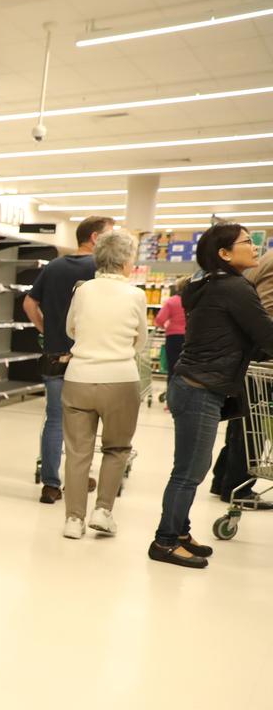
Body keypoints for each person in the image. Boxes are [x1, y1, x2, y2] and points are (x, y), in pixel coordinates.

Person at [150, 224, 273, 569]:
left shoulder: (208, 285)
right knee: (188, 472)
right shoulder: (235, 287)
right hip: (201, 387)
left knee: (192, 467)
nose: (255, 247)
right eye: (247, 242)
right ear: (224, 253)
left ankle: (181, 532)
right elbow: (266, 334)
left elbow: (237, 337)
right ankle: (165, 541)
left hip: (193, 384)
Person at [59, 232, 146, 539]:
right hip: (120, 379)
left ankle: (73, 519)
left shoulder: (83, 291)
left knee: (77, 452)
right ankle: (103, 511)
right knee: (116, 448)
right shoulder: (135, 295)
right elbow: (141, 340)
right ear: (124, 262)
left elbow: (71, 328)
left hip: (78, 378)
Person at [23, 216, 113, 503]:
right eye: (110, 236)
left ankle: (51, 484)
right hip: (87, 357)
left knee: (54, 419)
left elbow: (28, 302)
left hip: (54, 355)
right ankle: (78, 477)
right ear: (96, 238)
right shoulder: (100, 270)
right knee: (84, 422)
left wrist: (46, 329)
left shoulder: (54, 265)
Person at [208, 249, 273, 507]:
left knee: (244, 420)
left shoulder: (266, 257)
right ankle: (237, 488)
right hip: (264, 352)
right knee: (254, 424)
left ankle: (223, 480)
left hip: (250, 351)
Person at [153, 276, 189, 389]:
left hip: (173, 338)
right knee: (188, 369)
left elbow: (159, 320)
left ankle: (170, 399)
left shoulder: (171, 301)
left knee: (172, 367)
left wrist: (165, 326)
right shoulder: (194, 301)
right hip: (190, 337)